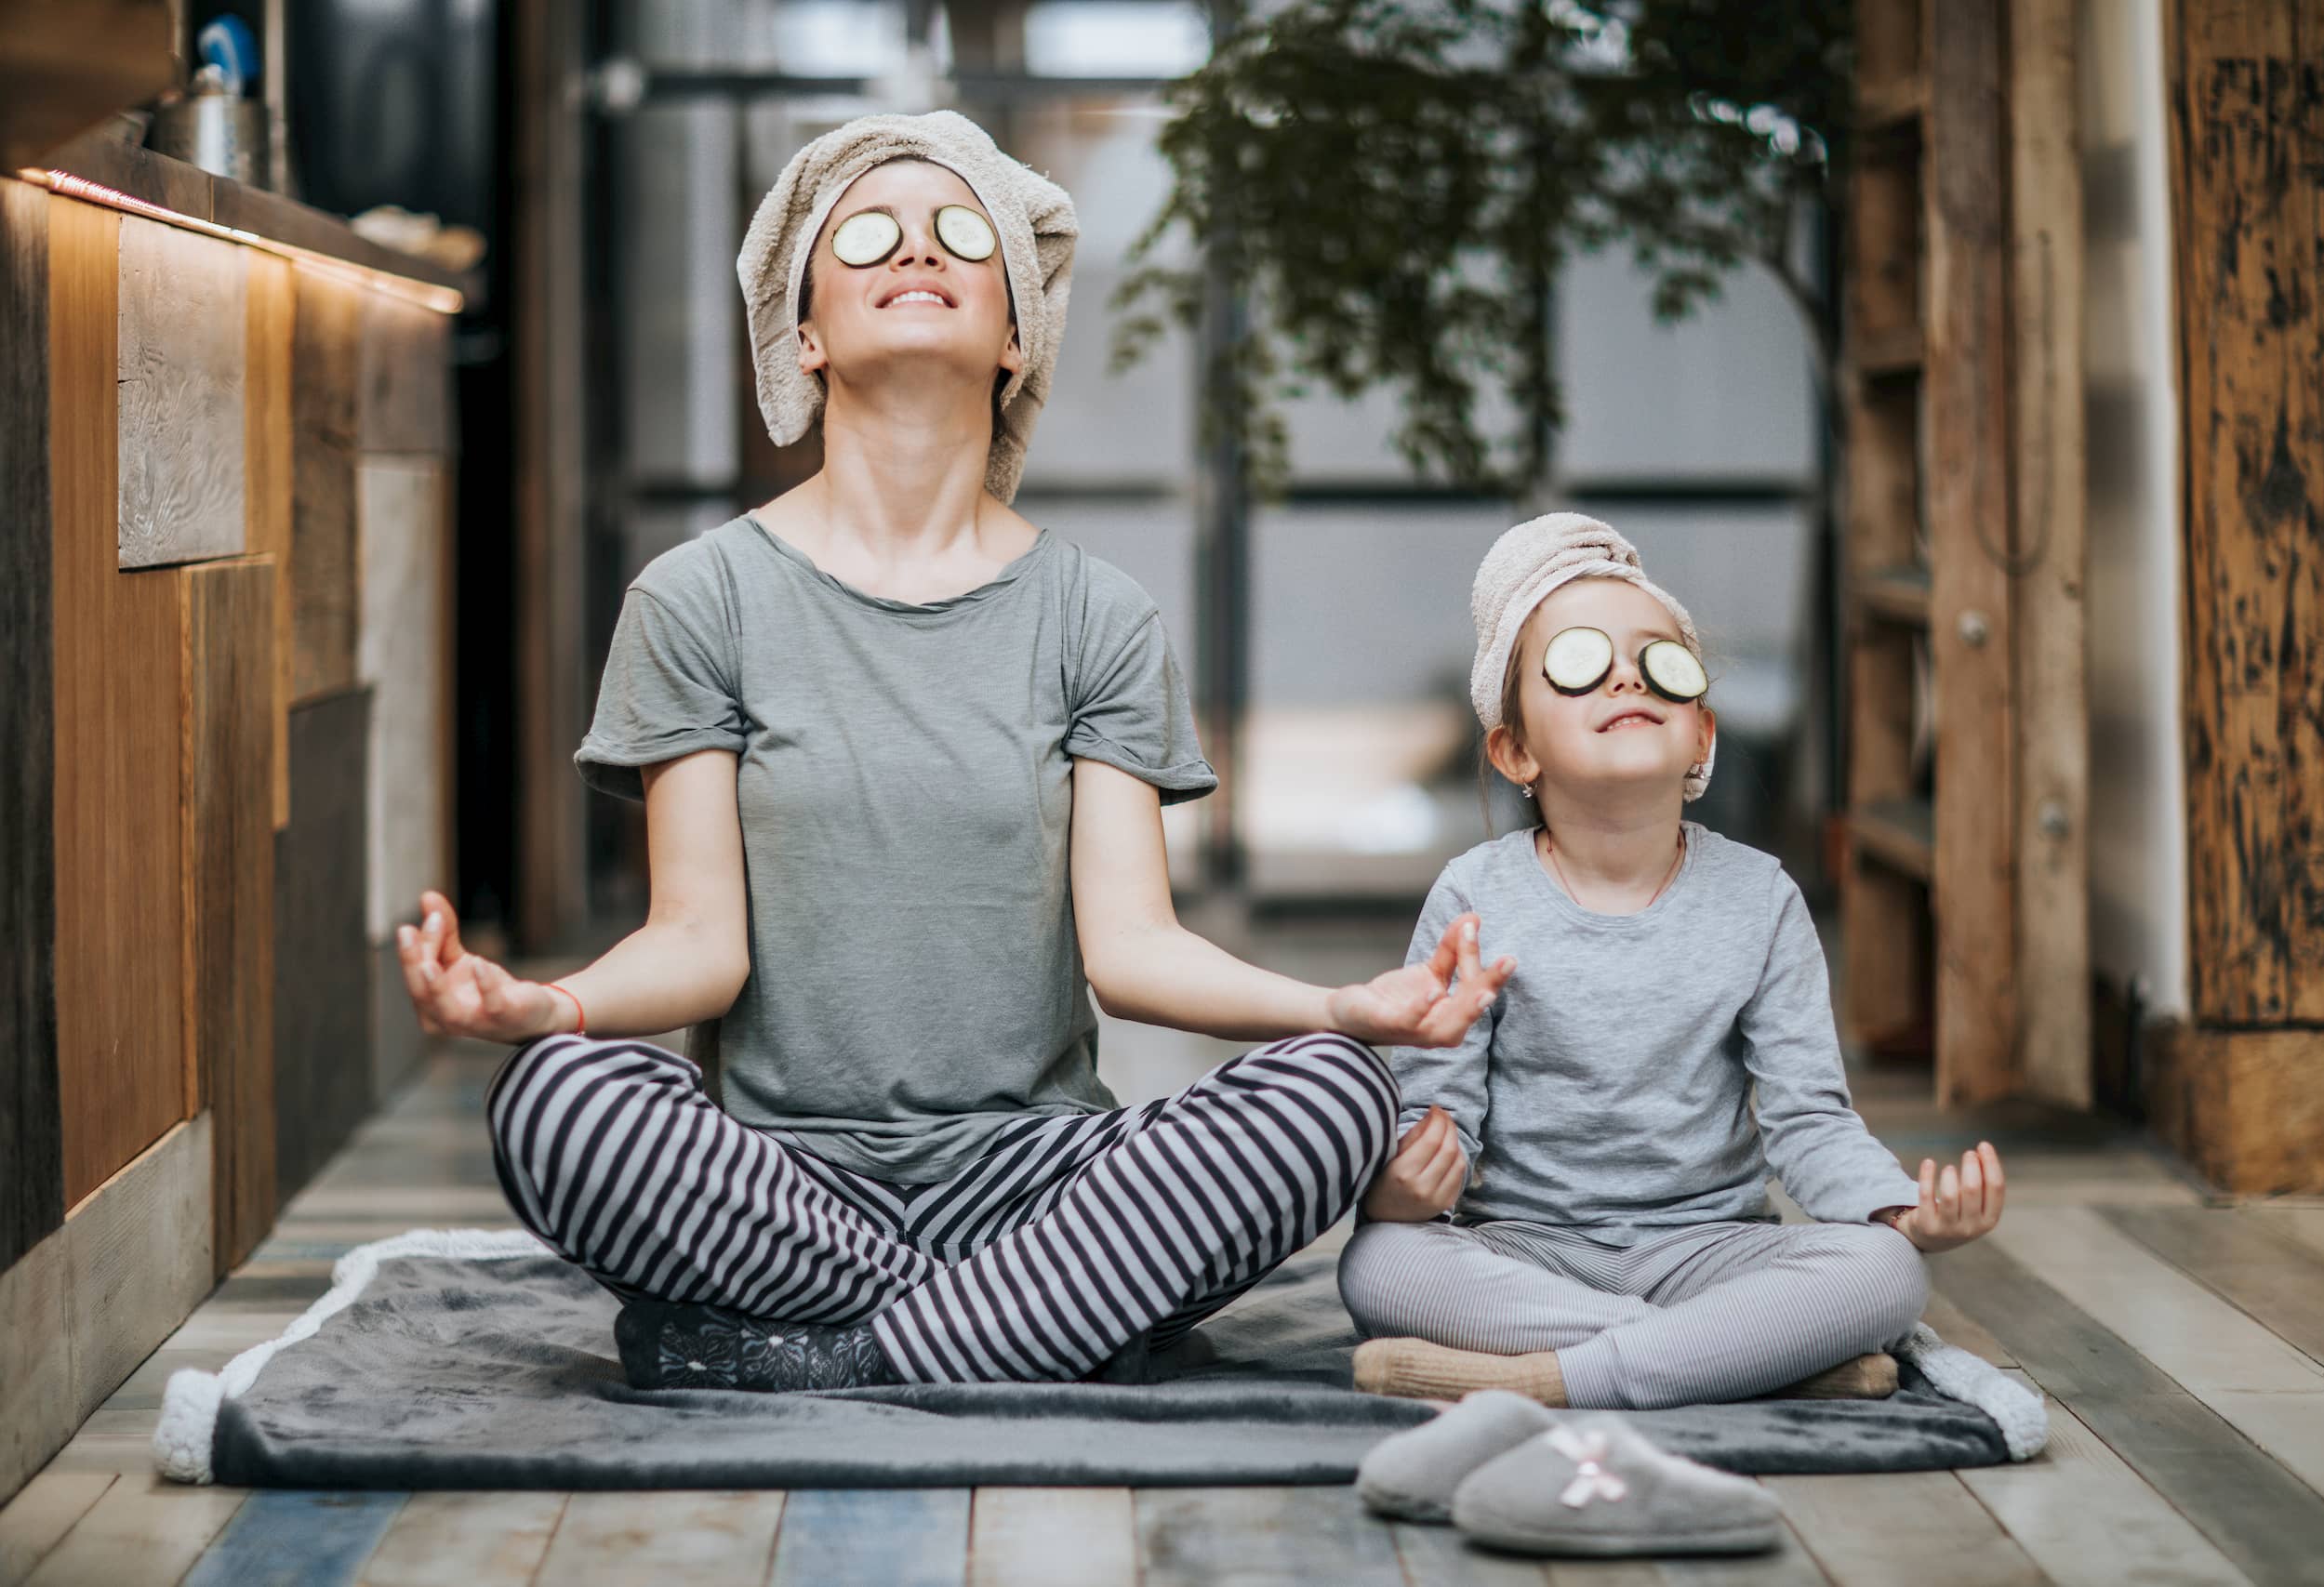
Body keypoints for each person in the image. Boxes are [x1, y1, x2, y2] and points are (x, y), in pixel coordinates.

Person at [394, 111, 1511, 1393]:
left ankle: (843, 1356)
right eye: (867, 231)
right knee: (557, 1102)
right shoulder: (698, 598)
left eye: (962, 233)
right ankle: (1051, 1318)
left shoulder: (1096, 612)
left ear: (1017, 330)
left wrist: (1340, 1008)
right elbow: (700, 940)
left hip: (1038, 1174)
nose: (916, 247)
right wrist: (548, 1007)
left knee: (1330, 1092)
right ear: (802, 332)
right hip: (784, 1186)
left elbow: (1131, 949)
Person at [1335, 514, 2007, 1408]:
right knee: (1381, 1263)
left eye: (1661, 661)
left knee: (1885, 1272)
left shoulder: (1761, 896)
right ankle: (1749, 1359)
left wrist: (1900, 1211)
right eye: (1577, 661)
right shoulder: (1472, 895)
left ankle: (1549, 1378)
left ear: (1702, 735)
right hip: (1529, 1247)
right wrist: (1408, 1186)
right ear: (1515, 749)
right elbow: (1436, 1115)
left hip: (1710, 1249)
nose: (1625, 674)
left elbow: (1809, 1117)